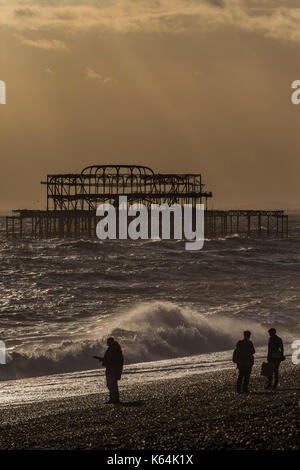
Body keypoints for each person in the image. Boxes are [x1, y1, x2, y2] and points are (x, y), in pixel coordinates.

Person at [93, 337, 124, 404]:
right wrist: (100, 358)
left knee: (112, 384)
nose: (107, 343)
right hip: (111, 368)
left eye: (108, 341)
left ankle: (114, 399)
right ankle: (113, 399)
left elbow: (113, 360)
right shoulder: (112, 349)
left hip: (113, 369)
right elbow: (108, 359)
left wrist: (101, 359)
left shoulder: (114, 349)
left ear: (111, 342)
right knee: (111, 384)